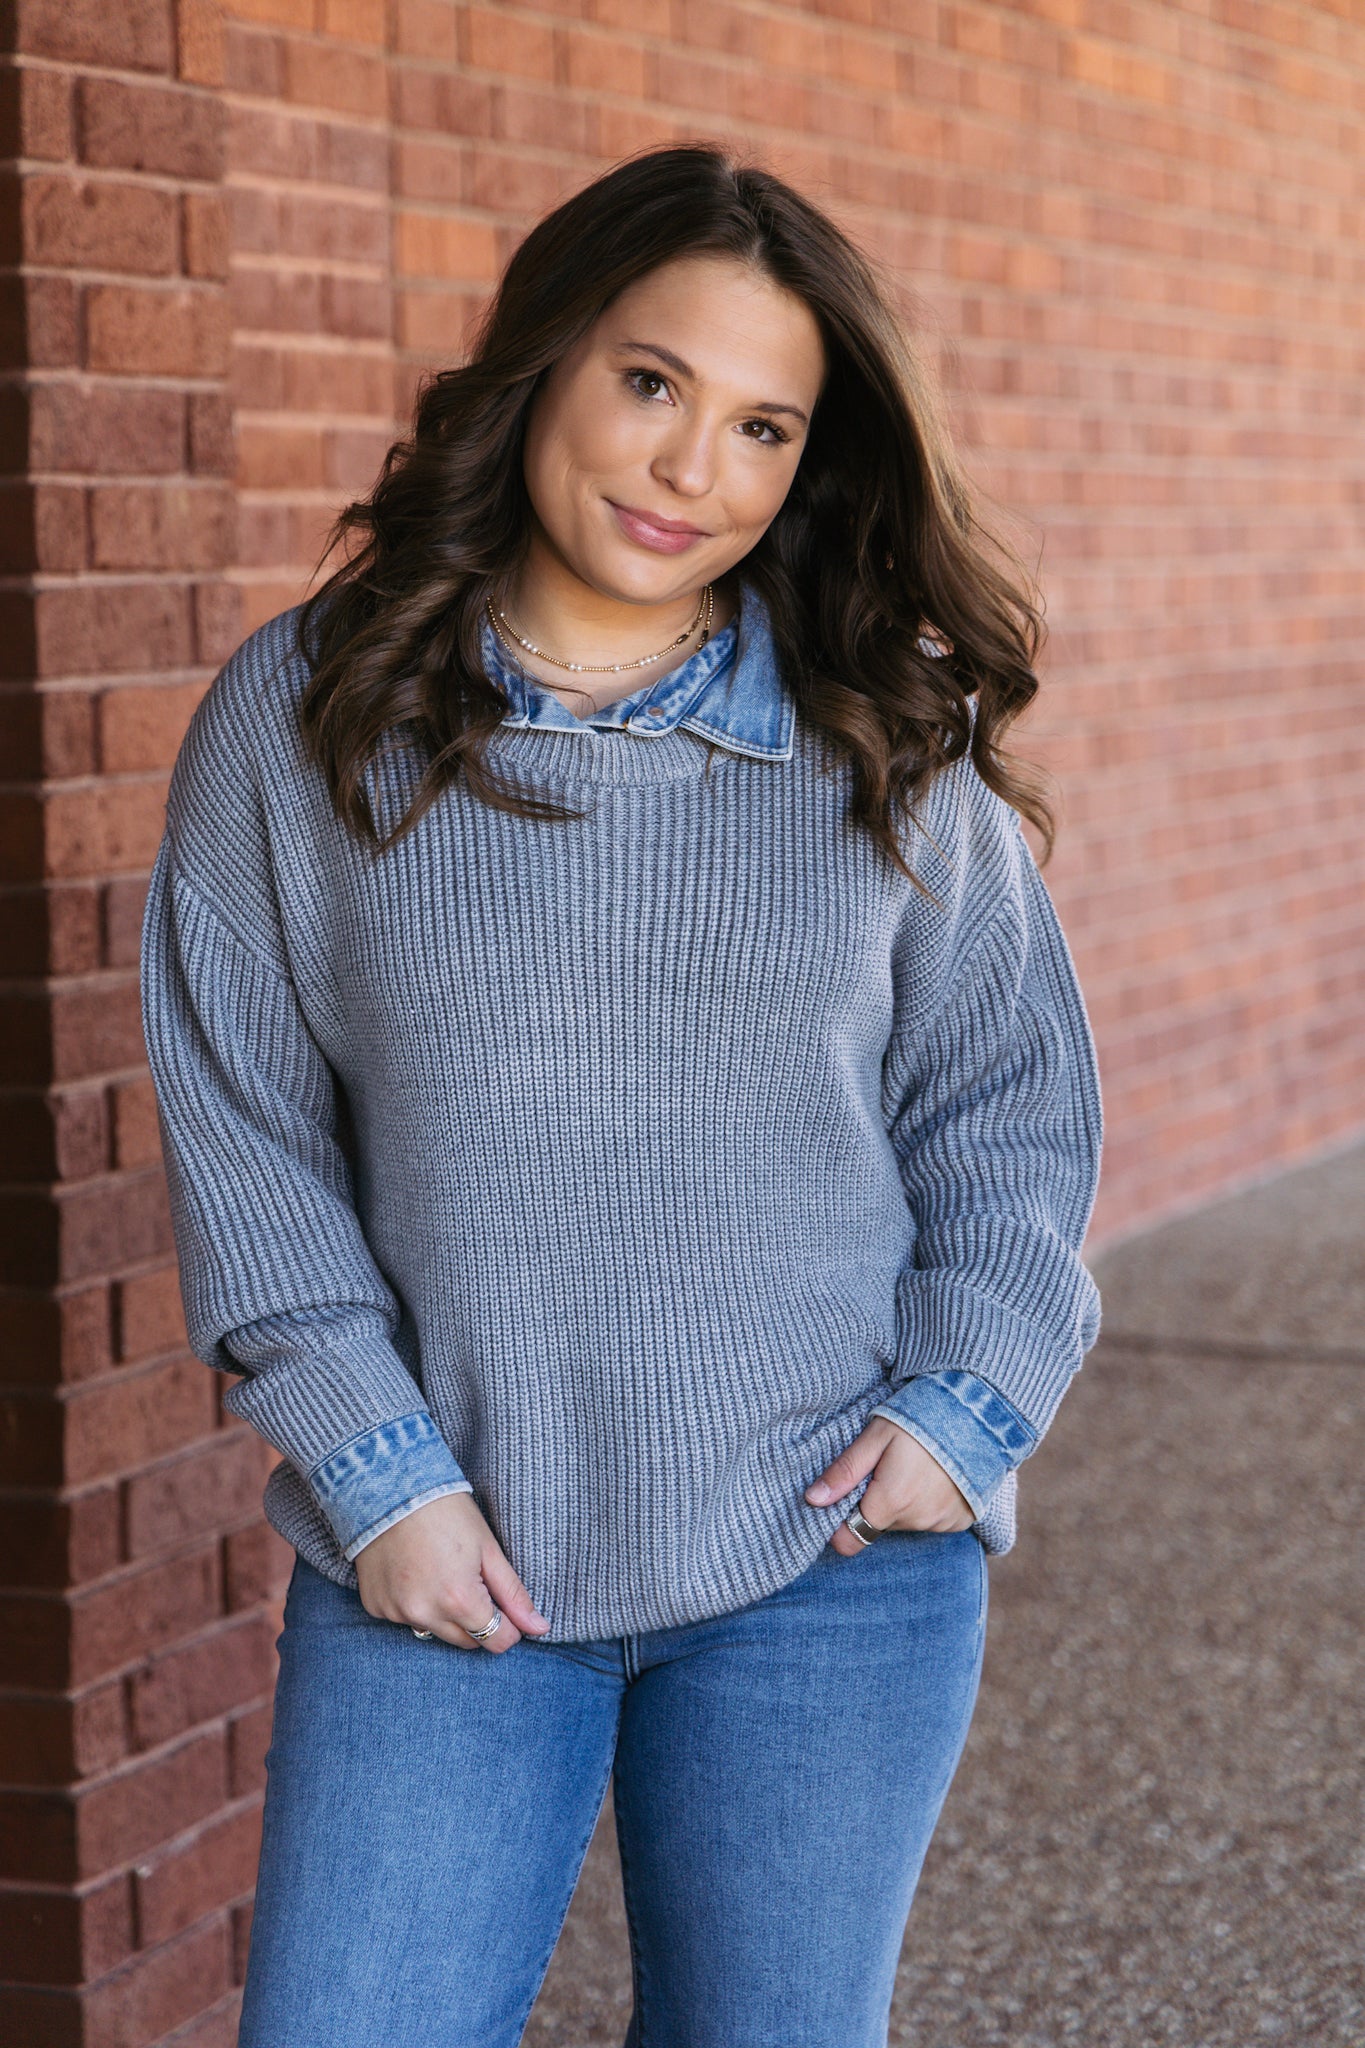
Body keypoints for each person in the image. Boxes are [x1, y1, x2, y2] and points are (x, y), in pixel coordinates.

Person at [140, 142, 1103, 2048]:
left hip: (825, 1565)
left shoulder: (882, 737)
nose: (690, 470)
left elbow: (1003, 1111)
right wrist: (378, 1476)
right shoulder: (311, 713)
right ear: (545, 360)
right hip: (443, 1554)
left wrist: (962, 1410)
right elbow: (244, 1132)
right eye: (651, 383)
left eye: (762, 428)